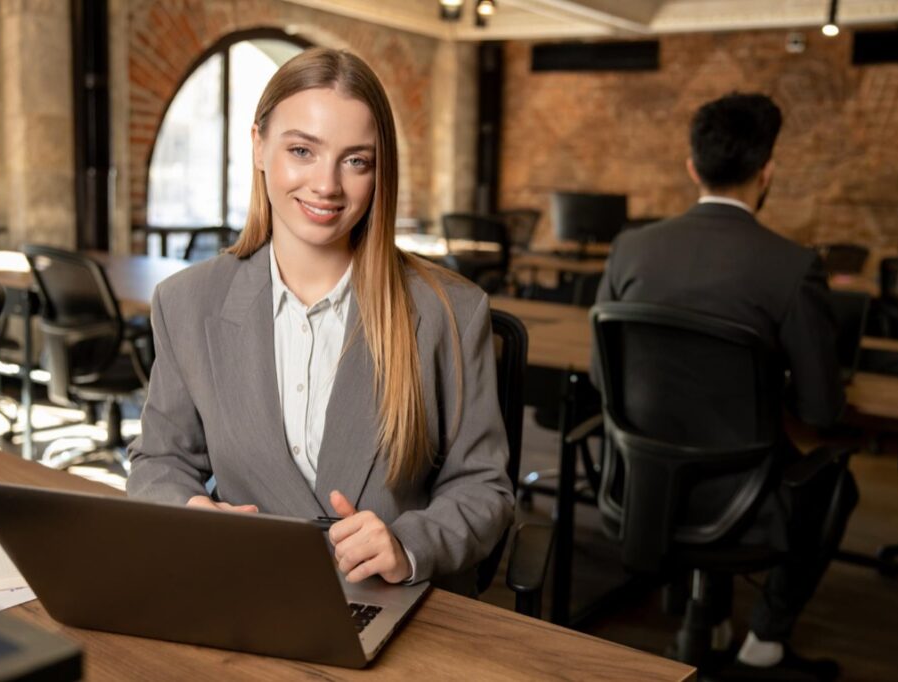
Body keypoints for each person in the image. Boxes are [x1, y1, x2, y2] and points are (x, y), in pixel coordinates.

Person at [126, 48, 514, 596]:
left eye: (356, 160)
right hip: (248, 590)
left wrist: (409, 545)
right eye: (302, 150)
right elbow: (158, 461)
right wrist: (194, 514)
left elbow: (483, 487)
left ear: (381, 171)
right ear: (259, 146)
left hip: (395, 601)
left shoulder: (448, 309)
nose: (327, 185)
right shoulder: (187, 302)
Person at [594, 93, 857, 680]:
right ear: (768, 171)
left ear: (692, 167)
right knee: (836, 478)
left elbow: (600, 375)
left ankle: (702, 619)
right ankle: (764, 642)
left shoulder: (630, 249)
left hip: (645, 484)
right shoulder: (791, 265)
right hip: (744, 496)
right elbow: (821, 408)